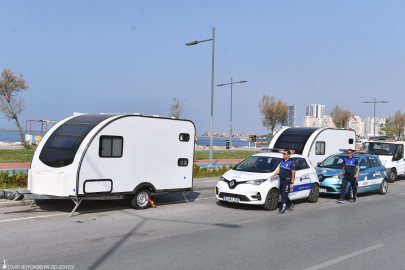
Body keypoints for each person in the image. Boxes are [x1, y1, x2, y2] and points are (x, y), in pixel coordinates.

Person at [271, 150, 296, 214]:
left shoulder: (291, 162)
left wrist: (292, 183)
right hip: (281, 180)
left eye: (284, 154)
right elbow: (279, 170)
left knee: (284, 194)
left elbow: (293, 173)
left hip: (287, 180)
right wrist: (273, 175)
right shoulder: (282, 161)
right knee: (282, 194)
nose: (283, 155)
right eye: (283, 154)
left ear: (288, 155)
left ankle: (282, 208)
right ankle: (290, 204)